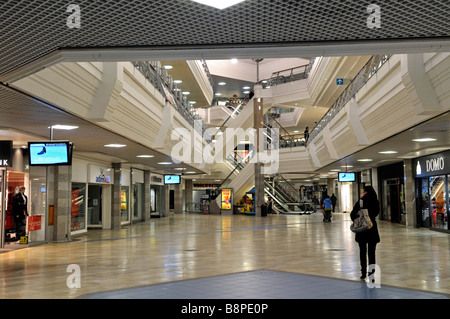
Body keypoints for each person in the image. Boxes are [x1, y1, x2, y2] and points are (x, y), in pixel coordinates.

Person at [350, 186, 381, 282]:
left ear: (365, 192)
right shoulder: (375, 201)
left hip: (362, 230)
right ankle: (371, 275)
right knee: (372, 253)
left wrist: (359, 219)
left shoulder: (361, 201)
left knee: (362, 251)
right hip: (371, 228)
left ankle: (363, 273)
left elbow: (352, 214)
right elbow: (376, 213)